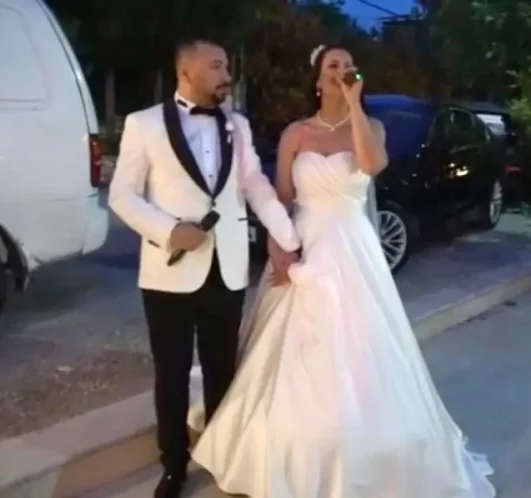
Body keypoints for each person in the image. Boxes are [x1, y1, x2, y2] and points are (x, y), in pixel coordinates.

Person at [189, 44, 496, 498]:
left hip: (353, 246)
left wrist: (354, 106)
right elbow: (282, 198)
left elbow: (372, 165)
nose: (342, 71)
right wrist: (277, 245)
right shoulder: (296, 133)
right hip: (306, 241)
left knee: (362, 341)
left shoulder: (371, 127)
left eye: (349, 65)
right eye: (333, 65)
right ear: (317, 79)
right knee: (294, 343)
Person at [107, 37, 301, 498]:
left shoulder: (237, 125)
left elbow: (254, 184)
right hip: (168, 270)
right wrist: (170, 230)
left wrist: (288, 239)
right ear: (186, 72)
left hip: (228, 266)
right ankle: (173, 466)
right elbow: (121, 195)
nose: (226, 76)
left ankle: (223, 458)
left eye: (227, 67)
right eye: (216, 66)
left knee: (222, 372)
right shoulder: (144, 124)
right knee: (172, 374)